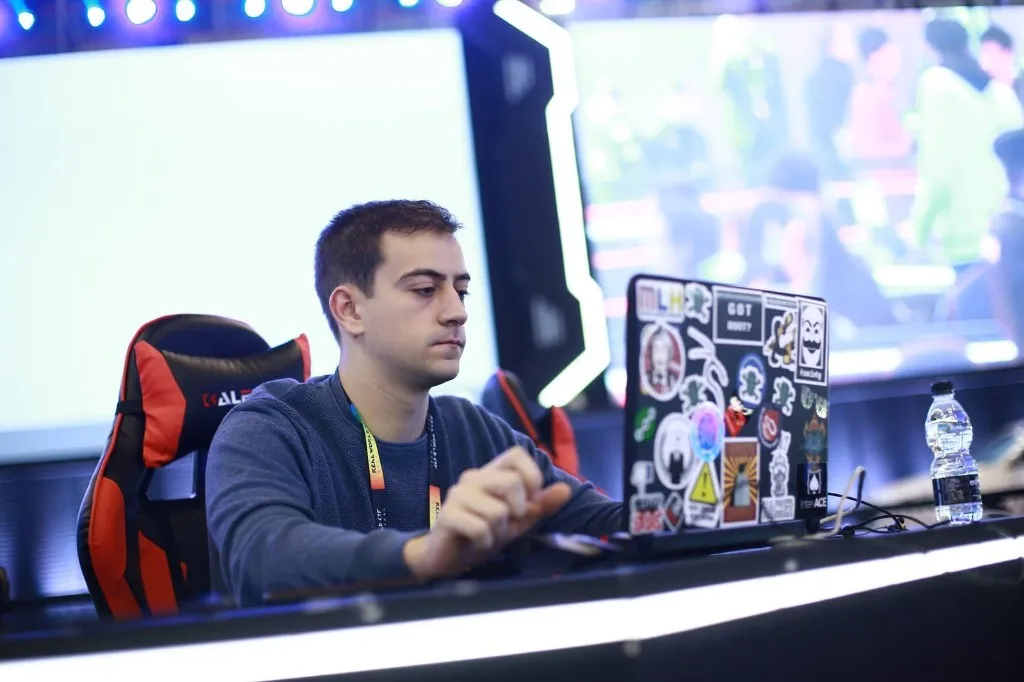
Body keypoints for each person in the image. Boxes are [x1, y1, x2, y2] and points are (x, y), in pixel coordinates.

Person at [206, 200, 623, 606]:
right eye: (425, 290)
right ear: (349, 310)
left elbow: (616, 525)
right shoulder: (269, 427)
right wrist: (424, 554)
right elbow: (262, 558)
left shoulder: (473, 429)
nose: (457, 312)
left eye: (461, 291)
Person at [909, 18, 1024, 271]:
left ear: (930, 47)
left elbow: (937, 170)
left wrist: (918, 234)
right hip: (1011, 236)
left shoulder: (936, 84)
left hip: (963, 237)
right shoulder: (1001, 92)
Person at [979, 24, 1024, 106]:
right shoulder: (985, 93)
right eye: (983, 53)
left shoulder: (1020, 89)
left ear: (1008, 53)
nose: (985, 60)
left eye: (991, 53)